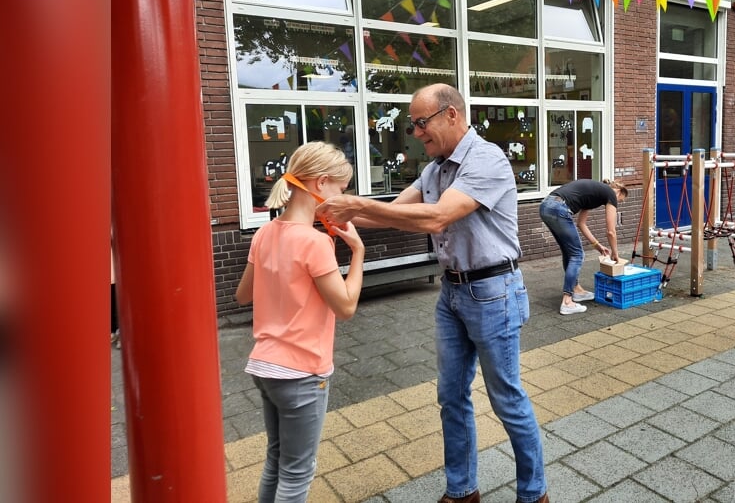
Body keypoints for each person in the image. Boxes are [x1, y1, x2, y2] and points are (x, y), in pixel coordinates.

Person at [317, 84, 549, 503]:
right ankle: (462, 491)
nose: (416, 133)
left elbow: (437, 216)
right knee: (451, 397)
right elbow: (398, 211)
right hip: (453, 294)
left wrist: (358, 207)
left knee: (506, 398)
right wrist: (329, 208)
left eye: (421, 123)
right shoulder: (435, 170)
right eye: (413, 124)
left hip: (494, 292)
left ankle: (534, 494)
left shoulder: (487, 159)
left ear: (452, 115)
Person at [234, 141, 364, 503]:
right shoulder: (314, 243)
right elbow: (346, 307)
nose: (344, 197)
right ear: (321, 184)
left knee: (276, 461)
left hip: (264, 365)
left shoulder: (264, 233)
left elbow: (243, 295)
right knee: (297, 474)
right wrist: (358, 253)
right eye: (342, 188)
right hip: (303, 373)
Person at [539, 179, 628, 315]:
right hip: (559, 208)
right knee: (577, 255)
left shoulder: (594, 192)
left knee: (569, 252)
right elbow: (611, 231)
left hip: (546, 206)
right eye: (620, 201)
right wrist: (615, 253)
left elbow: (581, 223)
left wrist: (597, 246)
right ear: (618, 192)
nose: (617, 204)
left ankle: (577, 291)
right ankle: (567, 301)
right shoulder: (611, 193)